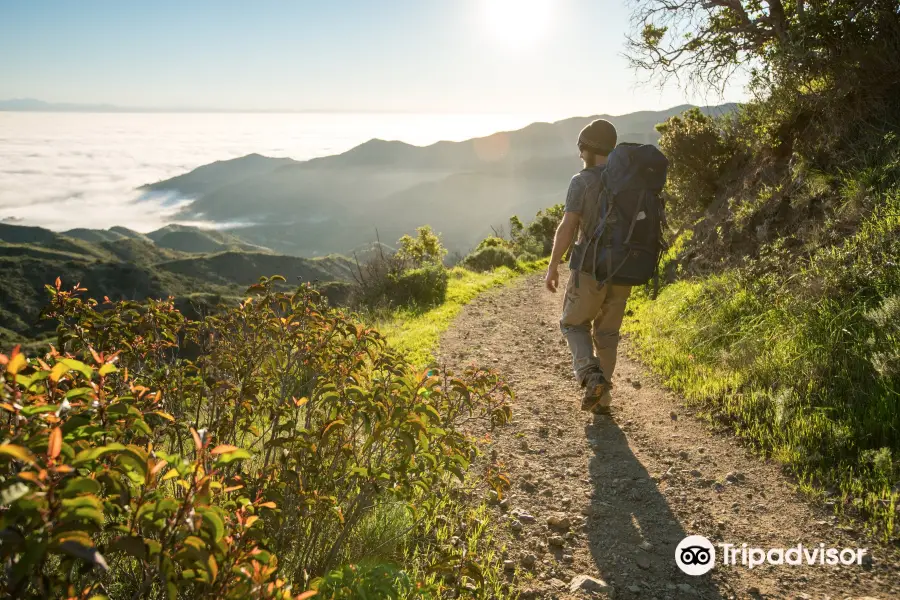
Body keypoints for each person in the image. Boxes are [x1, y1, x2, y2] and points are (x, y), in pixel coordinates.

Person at [544, 119, 631, 415]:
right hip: (625, 268)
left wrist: (553, 265)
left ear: (589, 150)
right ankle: (602, 402)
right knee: (607, 336)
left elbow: (568, 226)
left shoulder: (581, 181)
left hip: (591, 268)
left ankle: (590, 376)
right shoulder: (629, 180)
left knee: (572, 323)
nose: (580, 156)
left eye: (582, 150)